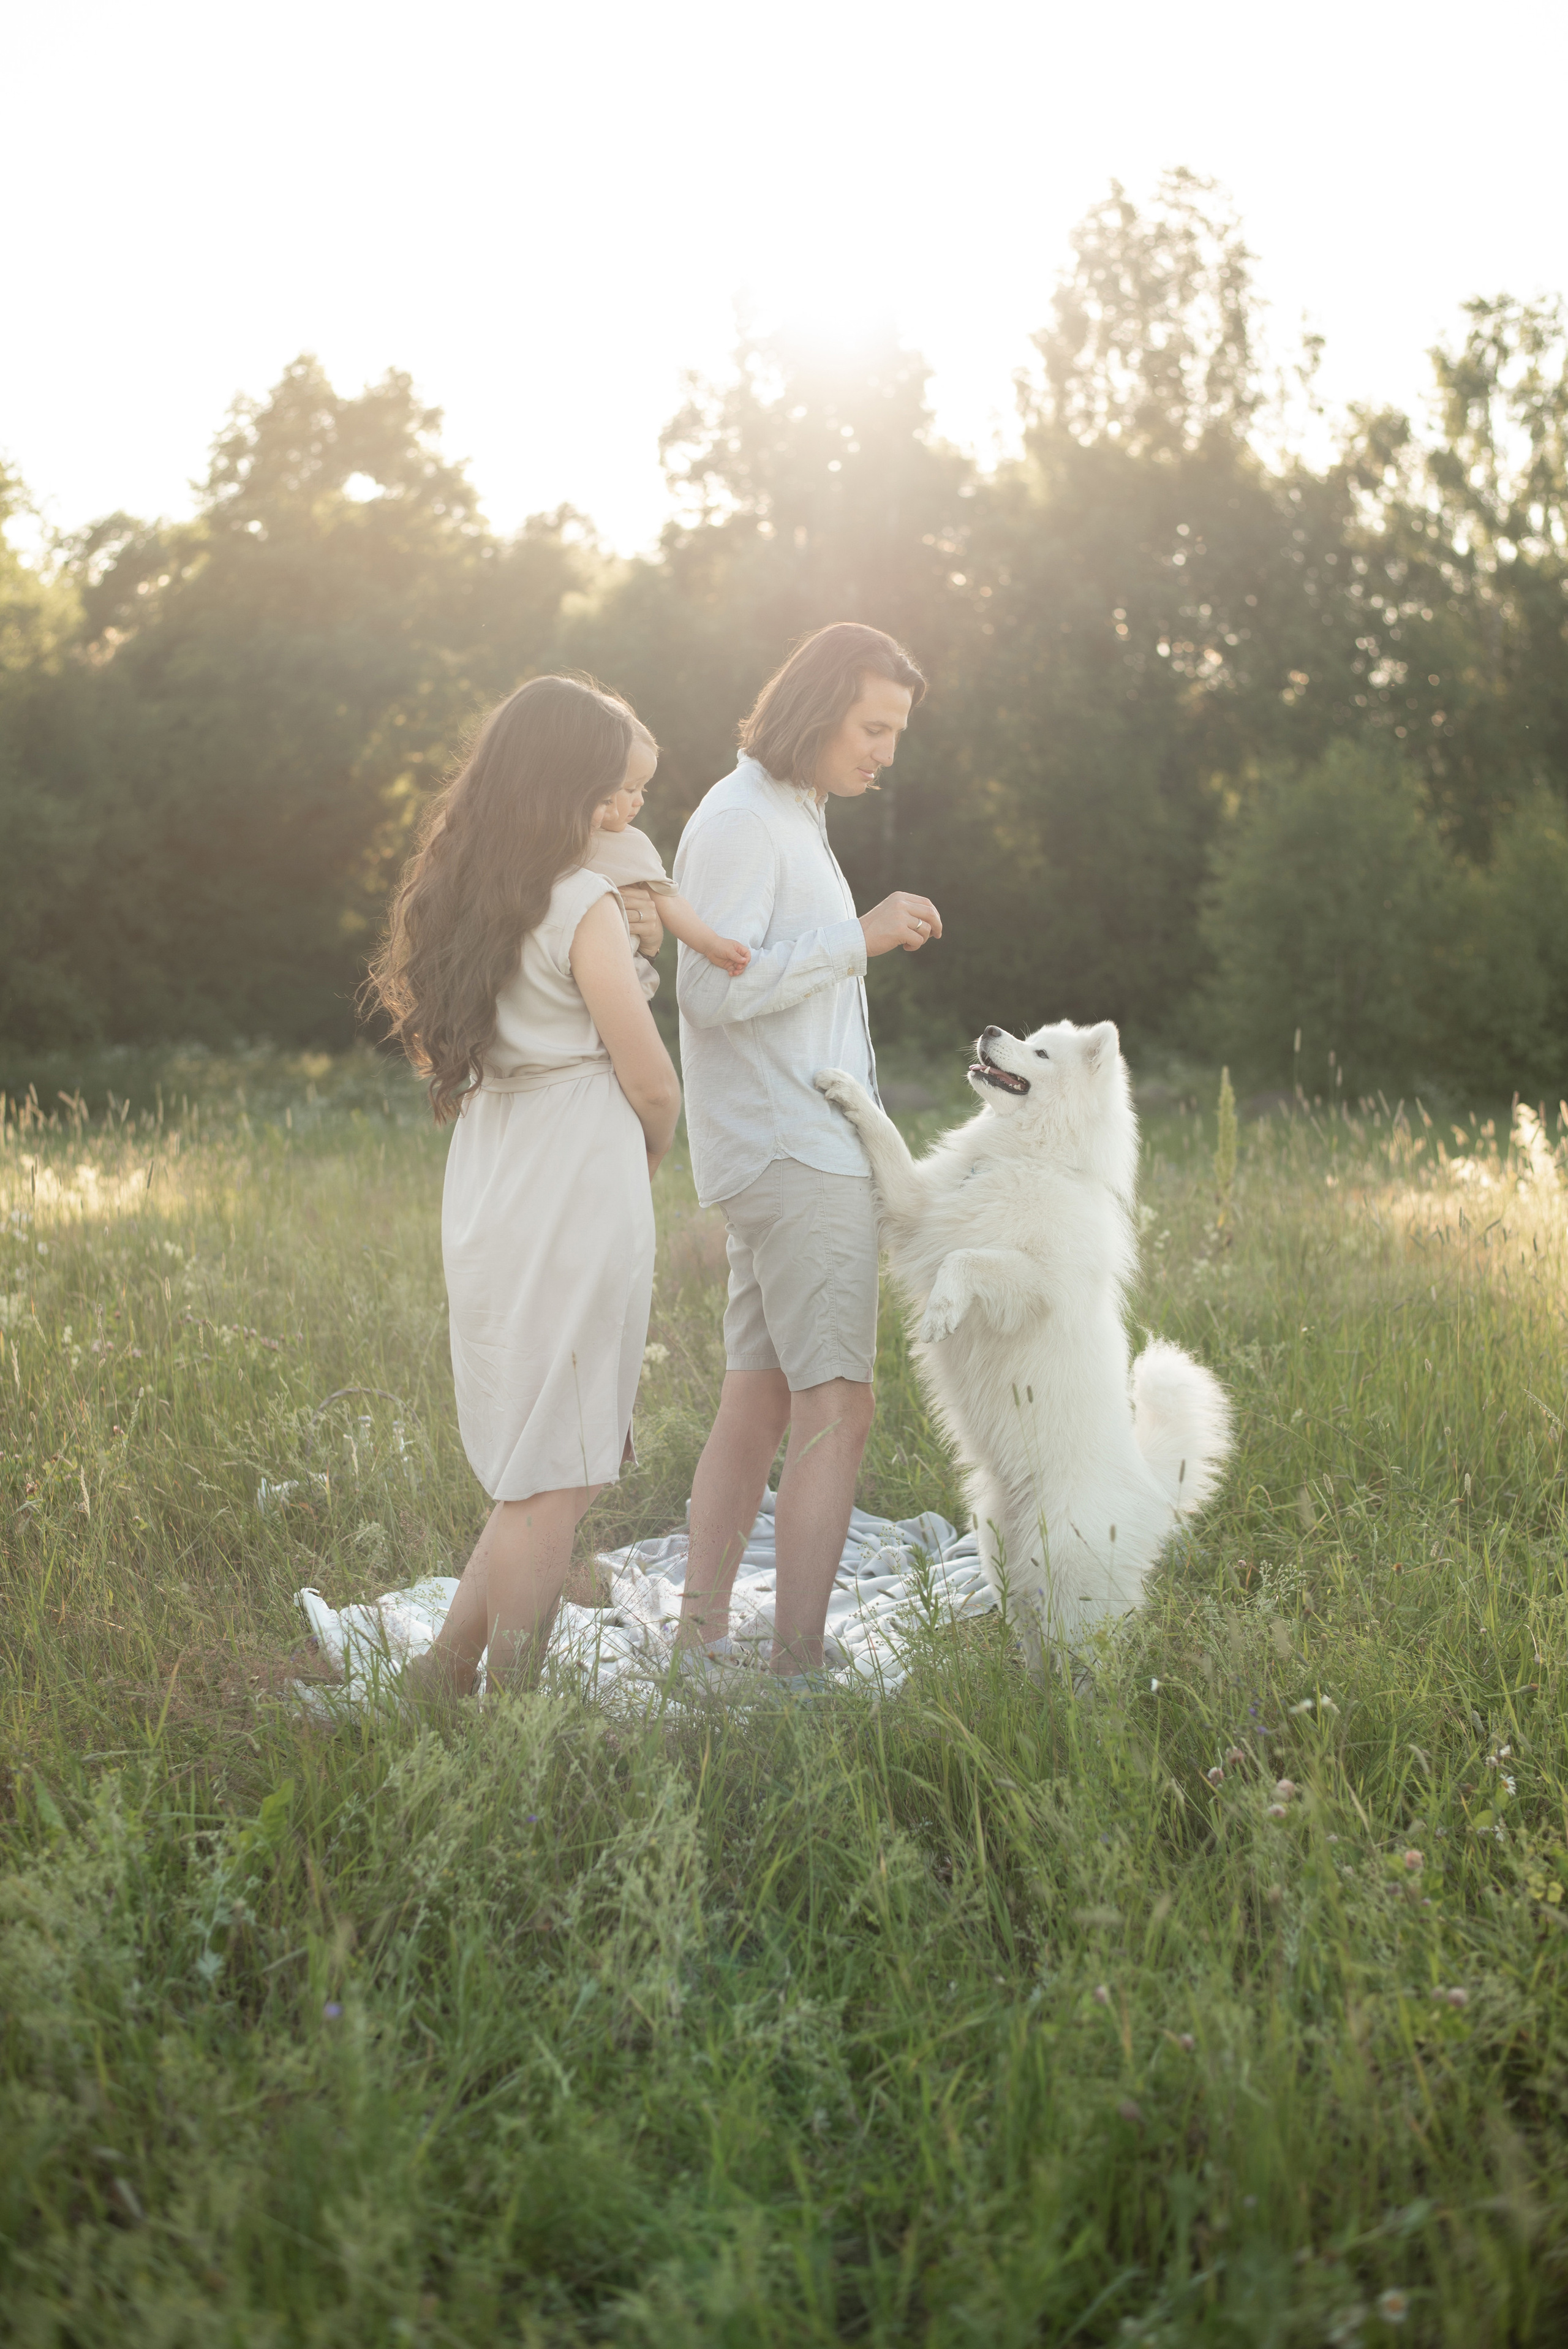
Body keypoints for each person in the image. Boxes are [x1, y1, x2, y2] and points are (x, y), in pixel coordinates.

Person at [363, 674, 682, 1695]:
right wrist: (651, 1155)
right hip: (578, 1163)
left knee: (543, 1451)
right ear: (561, 785)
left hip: (497, 1163)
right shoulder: (581, 903)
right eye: (605, 789)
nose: (619, 811)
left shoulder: (475, 891)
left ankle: (445, 1669)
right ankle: (515, 1713)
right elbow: (650, 1077)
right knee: (563, 1464)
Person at [671, 621, 943, 1684]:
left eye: (896, 732)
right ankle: (796, 1665)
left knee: (763, 1394)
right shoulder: (742, 819)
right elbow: (707, 986)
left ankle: (701, 1637)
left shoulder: (788, 811)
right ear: (820, 706)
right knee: (841, 1400)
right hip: (793, 1151)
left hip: (789, 1146)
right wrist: (857, 937)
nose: (885, 750)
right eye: (874, 725)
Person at [585, 744, 750, 994]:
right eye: (630, 789)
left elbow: (669, 901)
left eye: (644, 788)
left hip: (618, 981)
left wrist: (711, 945)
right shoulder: (558, 838)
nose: (640, 800)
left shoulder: (633, 845)